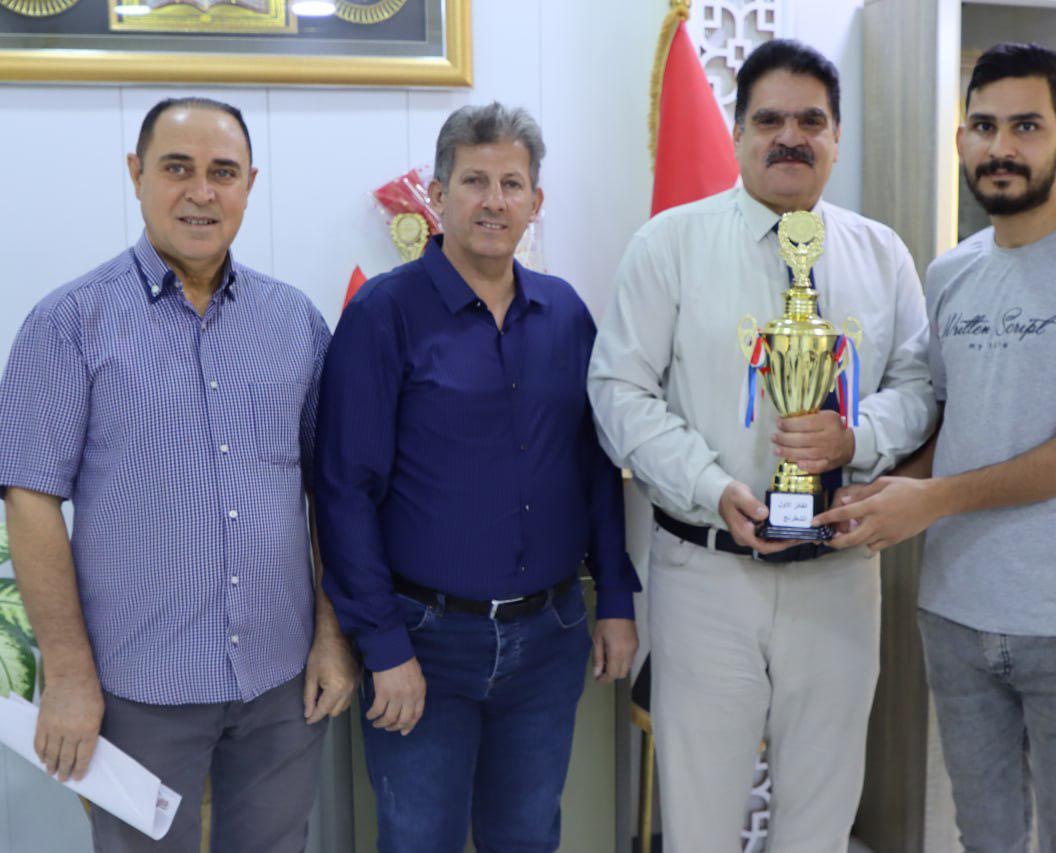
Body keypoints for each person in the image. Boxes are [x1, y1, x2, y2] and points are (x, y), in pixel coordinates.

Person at [814, 43, 1056, 851]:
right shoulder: (950, 273)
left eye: (1026, 126)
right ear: (961, 141)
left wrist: (931, 501)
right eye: (984, 126)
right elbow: (950, 426)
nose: (1001, 147)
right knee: (985, 838)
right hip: (957, 614)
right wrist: (874, 496)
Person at [588, 39, 936, 852]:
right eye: (770, 119)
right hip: (708, 572)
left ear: (837, 137)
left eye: (811, 121)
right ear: (740, 131)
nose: (791, 137)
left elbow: (920, 388)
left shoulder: (882, 253)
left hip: (841, 572)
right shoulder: (669, 245)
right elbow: (618, 393)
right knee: (701, 823)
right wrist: (712, 486)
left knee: (820, 818)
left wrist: (857, 436)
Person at [0, 97, 357, 852]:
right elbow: (30, 500)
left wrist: (331, 635)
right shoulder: (69, 323)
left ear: (249, 185)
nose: (201, 192)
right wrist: (67, 673)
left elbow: (329, 492)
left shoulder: (295, 323)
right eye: (177, 168)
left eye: (222, 172)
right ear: (136, 175)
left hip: (278, 681)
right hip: (137, 691)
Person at [314, 102, 640, 853]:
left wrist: (616, 599)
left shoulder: (565, 313)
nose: (494, 200)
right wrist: (384, 645)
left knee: (527, 836)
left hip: (550, 637)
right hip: (425, 641)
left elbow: (595, 467)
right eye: (474, 181)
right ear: (437, 194)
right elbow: (344, 491)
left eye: (511, 184)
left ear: (535, 200)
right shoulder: (383, 314)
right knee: (418, 839)